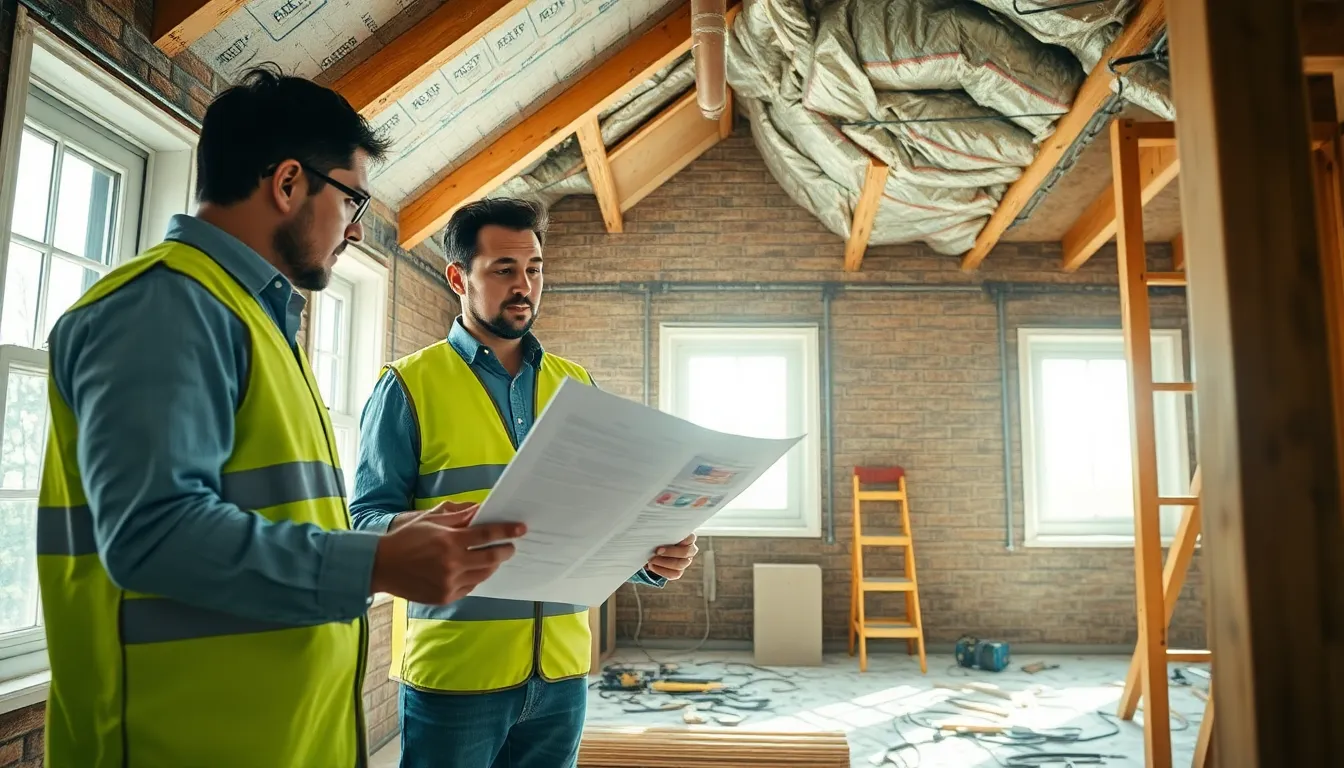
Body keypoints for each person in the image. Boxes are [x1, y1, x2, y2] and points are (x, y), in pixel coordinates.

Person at [35, 67, 524, 768]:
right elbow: (153, 534)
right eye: (352, 201)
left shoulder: (252, 319)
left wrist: (393, 536)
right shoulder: (166, 307)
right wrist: (377, 560)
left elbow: (267, 513)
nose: (355, 232)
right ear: (289, 183)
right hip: (172, 744)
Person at [349, 197, 699, 768]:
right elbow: (364, 520)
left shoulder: (575, 382)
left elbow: (598, 513)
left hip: (561, 673)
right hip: (457, 672)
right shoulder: (407, 385)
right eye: (504, 269)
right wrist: (427, 529)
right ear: (458, 276)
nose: (525, 285)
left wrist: (647, 555)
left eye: (534, 268)